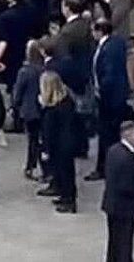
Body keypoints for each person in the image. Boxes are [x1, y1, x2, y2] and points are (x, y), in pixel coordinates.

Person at [89, 19, 130, 182]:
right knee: (110, 133)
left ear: (100, 32)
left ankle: (105, 167)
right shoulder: (117, 43)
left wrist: (101, 92)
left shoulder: (108, 49)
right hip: (116, 96)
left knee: (107, 134)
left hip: (110, 98)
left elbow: (109, 75)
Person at [102, 121, 134, 262]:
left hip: (112, 205)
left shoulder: (113, 150)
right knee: (124, 245)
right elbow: (125, 185)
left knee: (114, 243)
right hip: (124, 207)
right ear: (127, 135)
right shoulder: (126, 157)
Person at [40, 70, 79, 213]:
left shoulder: (52, 109)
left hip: (59, 145)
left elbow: (49, 132)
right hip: (68, 142)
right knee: (67, 172)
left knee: (65, 174)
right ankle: (65, 197)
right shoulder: (67, 102)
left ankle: (68, 201)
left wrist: (45, 150)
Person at [13, 40, 46, 179]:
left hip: (29, 110)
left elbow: (18, 92)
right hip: (43, 109)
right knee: (42, 139)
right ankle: (44, 168)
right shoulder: (44, 69)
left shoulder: (25, 71)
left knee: (32, 140)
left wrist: (15, 105)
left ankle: (31, 167)